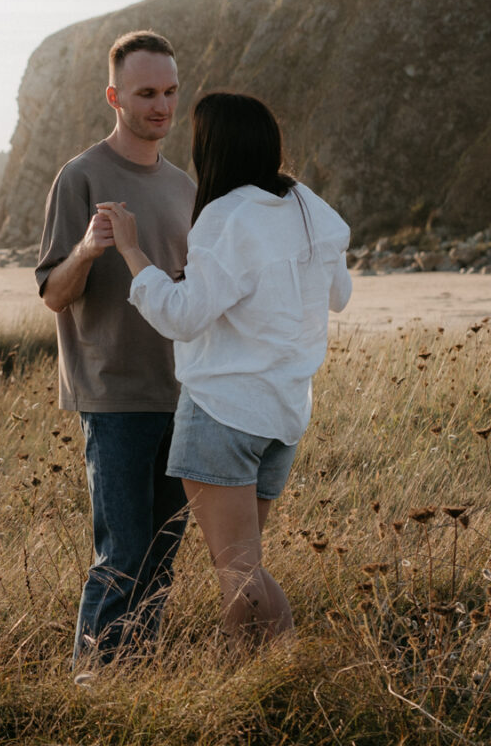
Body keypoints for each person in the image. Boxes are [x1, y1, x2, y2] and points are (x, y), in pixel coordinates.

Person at [103, 90, 350, 647]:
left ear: (211, 148)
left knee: (238, 572)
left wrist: (132, 252)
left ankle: (277, 676)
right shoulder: (310, 206)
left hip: (223, 413)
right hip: (284, 414)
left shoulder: (226, 215)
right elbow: (340, 294)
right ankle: (259, 675)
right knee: (247, 565)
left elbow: (184, 317)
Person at [37, 29, 197, 664]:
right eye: (146, 93)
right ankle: (91, 682)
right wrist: (87, 249)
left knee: (161, 557)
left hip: (184, 393)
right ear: (115, 96)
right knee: (123, 555)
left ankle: (136, 675)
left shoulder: (185, 186)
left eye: (170, 92)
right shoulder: (80, 177)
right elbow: (52, 292)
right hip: (113, 395)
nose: (161, 105)